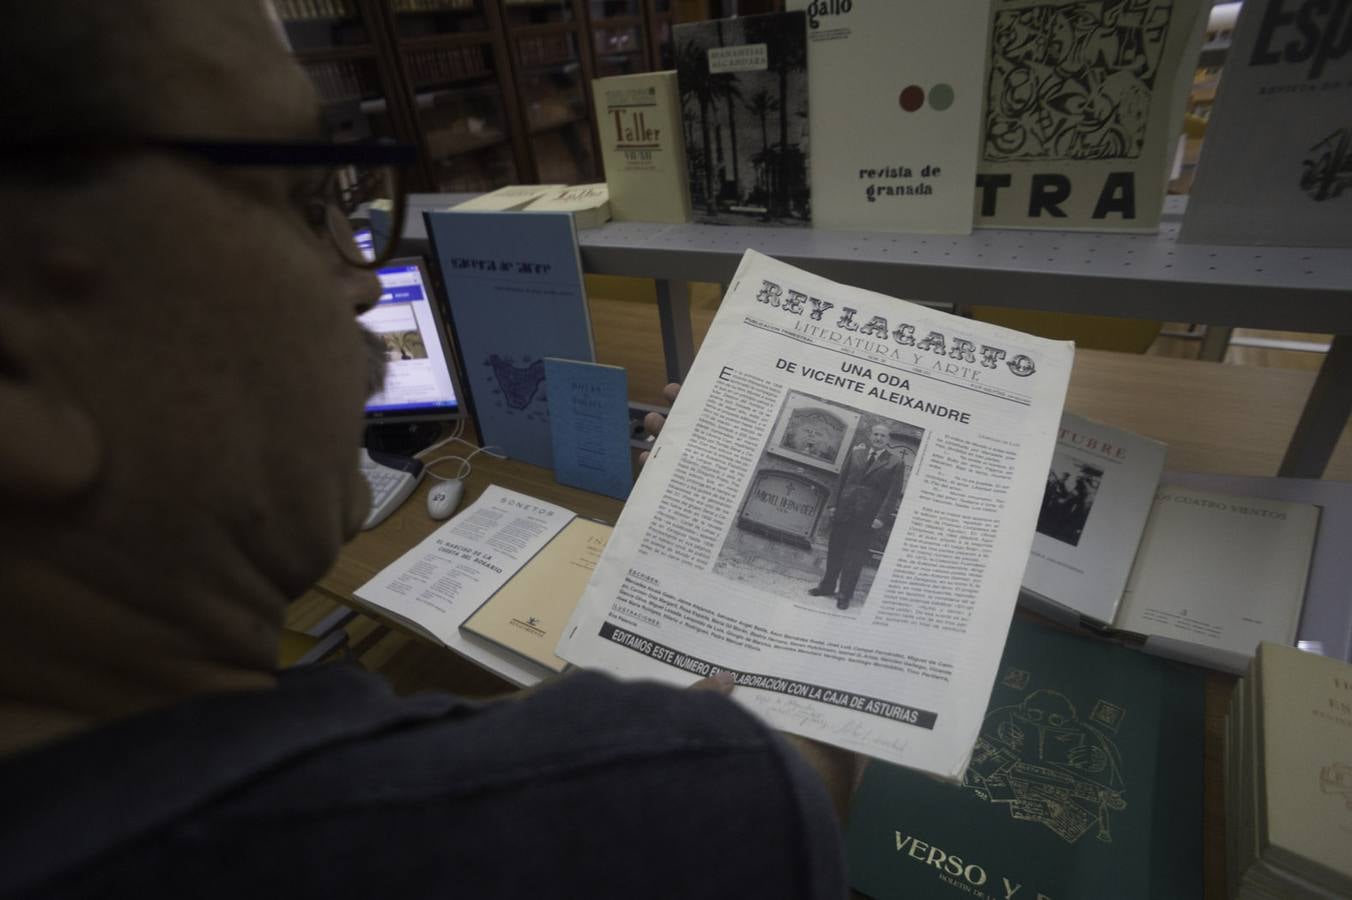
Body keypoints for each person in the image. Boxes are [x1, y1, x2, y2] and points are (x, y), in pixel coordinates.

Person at [0, 4, 850, 897]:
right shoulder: (676, 807)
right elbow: (785, 792)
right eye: (302, 204)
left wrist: (557, 735)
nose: (365, 278)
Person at [809, 424, 904, 610]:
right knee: (835, 550)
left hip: (868, 517)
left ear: (888, 440)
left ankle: (845, 594)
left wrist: (881, 517)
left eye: (882, 436)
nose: (878, 438)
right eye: (875, 434)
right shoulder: (856, 454)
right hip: (844, 510)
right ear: (871, 436)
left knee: (855, 556)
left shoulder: (895, 462)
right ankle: (827, 586)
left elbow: (893, 494)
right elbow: (841, 480)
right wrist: (833, 504)